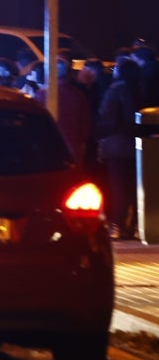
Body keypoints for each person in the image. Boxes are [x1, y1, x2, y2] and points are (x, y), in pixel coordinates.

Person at [94, 54, 142, 240]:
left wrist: (98, 133)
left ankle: (118, 225)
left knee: (118, 186)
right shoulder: (139, 89)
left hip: (116, 144)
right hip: (135, 144)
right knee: (132, 187)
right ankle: (133, 224)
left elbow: (109, 118)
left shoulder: (114, 90)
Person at [33, 55, 92, 166]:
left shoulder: (42, 94)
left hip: (48, 147)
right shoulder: (77, 95)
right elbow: (85, 125)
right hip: (74, 145)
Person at [131, 41, 159, 109]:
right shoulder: (154, 67)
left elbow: (145, 92)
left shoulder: (146, 72)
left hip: (150, 107)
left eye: (134, 59)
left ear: (140, 59)